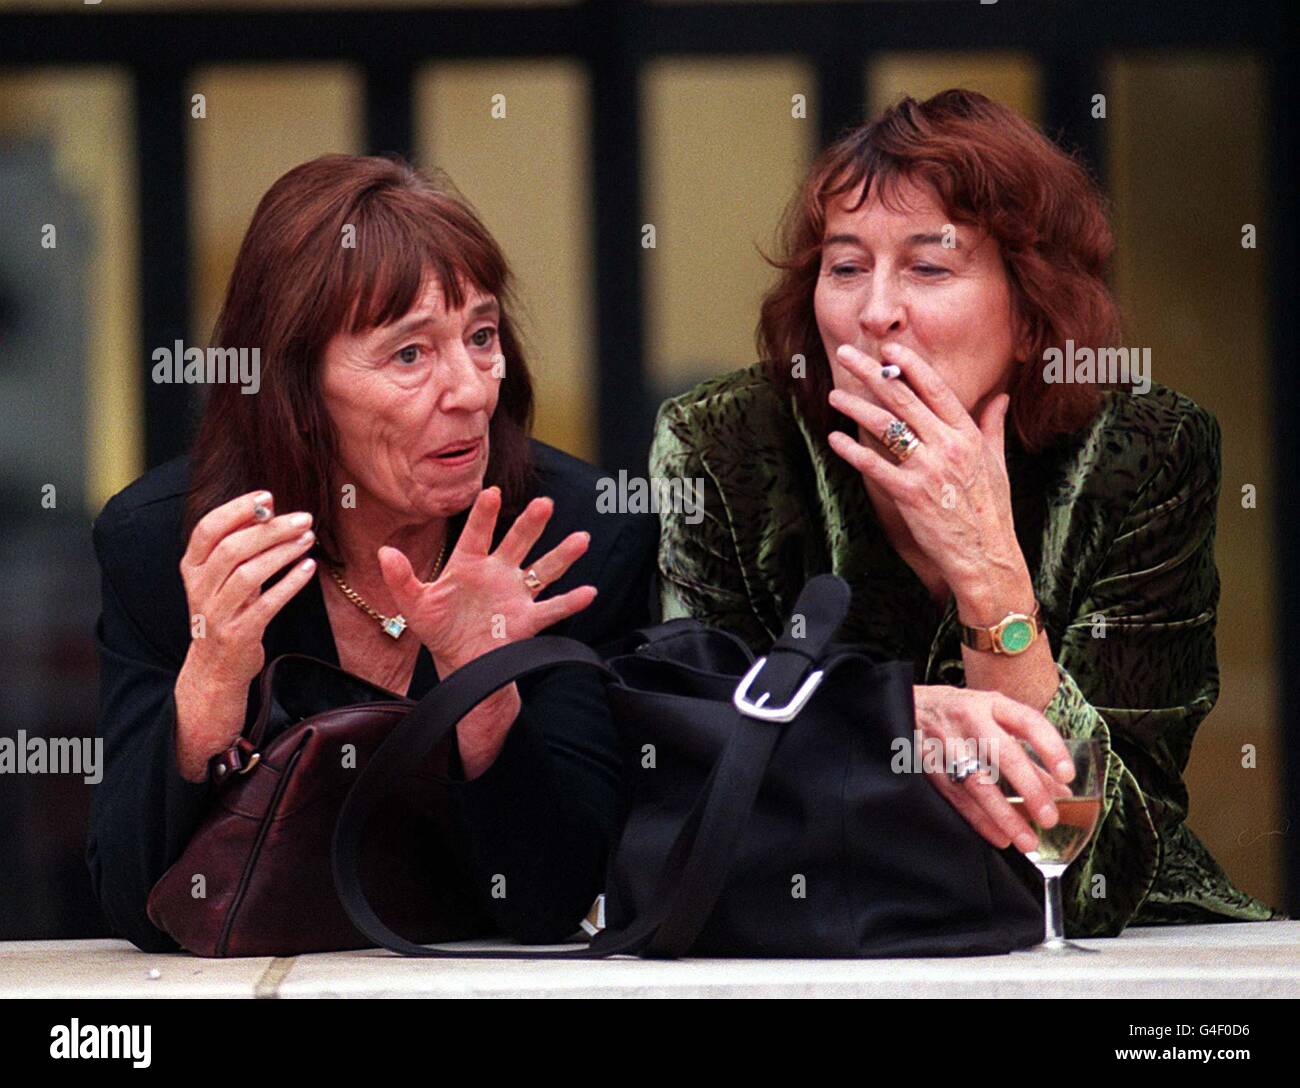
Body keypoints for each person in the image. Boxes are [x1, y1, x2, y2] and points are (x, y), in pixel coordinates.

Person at [649, 89, 1281, 935]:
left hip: (1125, 934)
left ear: (1031, 314)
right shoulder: (725, 445)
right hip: (817, 918)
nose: (876, 311)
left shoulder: (1142, 455)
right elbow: (694, 756)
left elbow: (1092, 859)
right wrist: (894, 716)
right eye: (845, 267)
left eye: (929, 266)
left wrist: (988, 570)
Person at [89, 154, 658, 952]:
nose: (469, 390)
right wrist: (213, 676)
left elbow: (552, 903)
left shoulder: (574, 534)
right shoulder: (169, 543)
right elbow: (130, 905)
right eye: (409, 355)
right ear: (295, 385)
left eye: (482, 336)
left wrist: (483, 685)